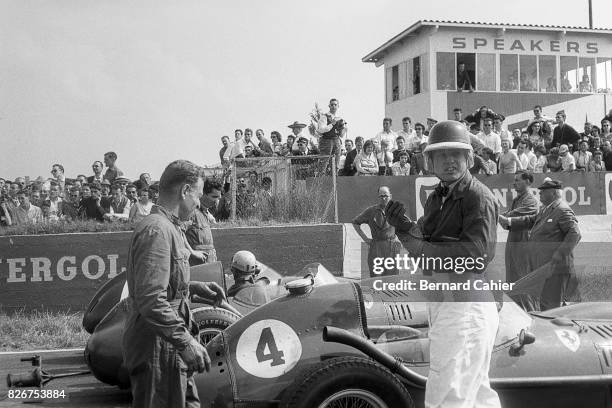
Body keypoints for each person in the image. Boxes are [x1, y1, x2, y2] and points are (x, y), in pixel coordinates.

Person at [385, 120, 501, 408]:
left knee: (446, 398)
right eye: (441, 155)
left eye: (456, 155)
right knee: (477, 398)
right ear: (430, 161)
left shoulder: (478, 196)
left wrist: (424, 247)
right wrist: (403, 228)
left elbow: (476, 256)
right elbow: (420, 243)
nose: (449, 161)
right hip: (447, 303)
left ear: (469, 159)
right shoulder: (437, 197)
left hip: (464, 306)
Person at [123, 160, 226, 408]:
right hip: (158, 344)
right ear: (184, 191)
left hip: (167, 340)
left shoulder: (169, 227)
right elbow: (151, 299)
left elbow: (161, 284)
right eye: (198, 195)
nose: (199, 203)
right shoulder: (158, 230)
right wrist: (186, 342)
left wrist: (193, 288)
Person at [499, 178, 581, 311]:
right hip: (543, 267)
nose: (540, 194)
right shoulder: (545, 209)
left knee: (551, 306)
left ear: (553, 193)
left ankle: (555, 330)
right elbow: (530, 220)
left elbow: (575, 233)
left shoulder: (562, 210)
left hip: (555, 267)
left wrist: (559, 255)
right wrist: (509, 221)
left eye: (543, 192)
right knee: (545, 303)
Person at [352, 186, 402, 277]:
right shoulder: (371, 211)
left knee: (392, 280)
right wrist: (366, 239)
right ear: (378, 197)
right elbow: (355, 223)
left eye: (386, 196)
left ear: (390, 196)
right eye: (381, 196)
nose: (383, 198)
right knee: (376, 279)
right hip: (376, 247)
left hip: (392, 248)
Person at [185, 178, 222, 265]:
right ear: (203, 194)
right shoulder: (191, 212)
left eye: (219, 197)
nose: (217, 201)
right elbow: (179, 233)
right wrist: (192, 252)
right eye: (214, 197)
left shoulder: (206, 213)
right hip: (195, 267)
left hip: (208, 265)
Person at [317, 98, 347, 166]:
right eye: (332, 104)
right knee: (324, 162)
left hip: (336, 141)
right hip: (326, 140)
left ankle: (335, 176)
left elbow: (341, 135)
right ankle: (322, 176)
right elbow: (321, 129)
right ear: (329, 106)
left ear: (338, 106)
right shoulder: (324, 117)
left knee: (336, 163)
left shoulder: (340, 118)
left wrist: (344, 128)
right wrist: (332, 124)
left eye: (335, 105)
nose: (333, 106)